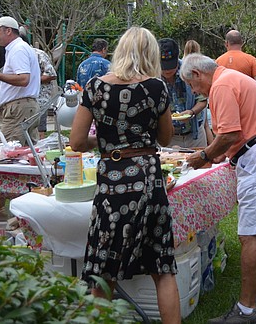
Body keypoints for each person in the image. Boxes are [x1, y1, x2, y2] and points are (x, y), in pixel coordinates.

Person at [69, 27, 181, 324]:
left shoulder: (95, 87)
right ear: (151, 55)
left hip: (113, 183)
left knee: (104, 269)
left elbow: (77, 142)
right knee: (162, 266)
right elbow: (166, 139)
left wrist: (107, 143)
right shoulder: (157, 87)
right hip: (149, 179)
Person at [182, 53, 256, 323]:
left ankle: (245, 310)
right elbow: (237, 134)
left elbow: (230, 133)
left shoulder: (221, 85)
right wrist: (217, 153)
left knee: (249, 236)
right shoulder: (234, 79)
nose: (192, 90)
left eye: (190, 84)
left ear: (198, 74)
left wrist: (205, 156)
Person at [0, 16, 40, 145]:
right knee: (27, 153)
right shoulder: (18, 48)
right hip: (24, 107)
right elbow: (21, 80)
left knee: (10, 151)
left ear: (8, 31)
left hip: (18, 109)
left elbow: (23, 79)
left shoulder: (18, 50)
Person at [160, 38, 208, 147]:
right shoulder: (153, 78)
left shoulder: (190, 71)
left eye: (171, 66)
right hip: (170, 138)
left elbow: (202, 100)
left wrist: (191, 112)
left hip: (195, 135)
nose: (167, 71)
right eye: (164, 67)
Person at [19, 26, 58, 140]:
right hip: (22, 102)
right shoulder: (17, 55)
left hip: (39, 100)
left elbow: (51, 74)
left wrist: (29, 79)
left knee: (38, 132)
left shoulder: (38, 54)